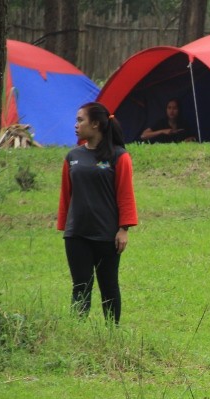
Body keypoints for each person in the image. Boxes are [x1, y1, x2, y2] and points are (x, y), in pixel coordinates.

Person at [57, 102, 138, 324]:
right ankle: (76, 332)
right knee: (80, 286)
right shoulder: (72, 157)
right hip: (77, 235)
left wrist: (124, 229)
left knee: (109, 285)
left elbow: (125, 194)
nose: (76, 125)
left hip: (107, 234)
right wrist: (66, 227)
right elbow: (66, 195)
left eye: (80, 120)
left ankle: (113, 332)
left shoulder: (119, 156)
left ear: (95, 124)